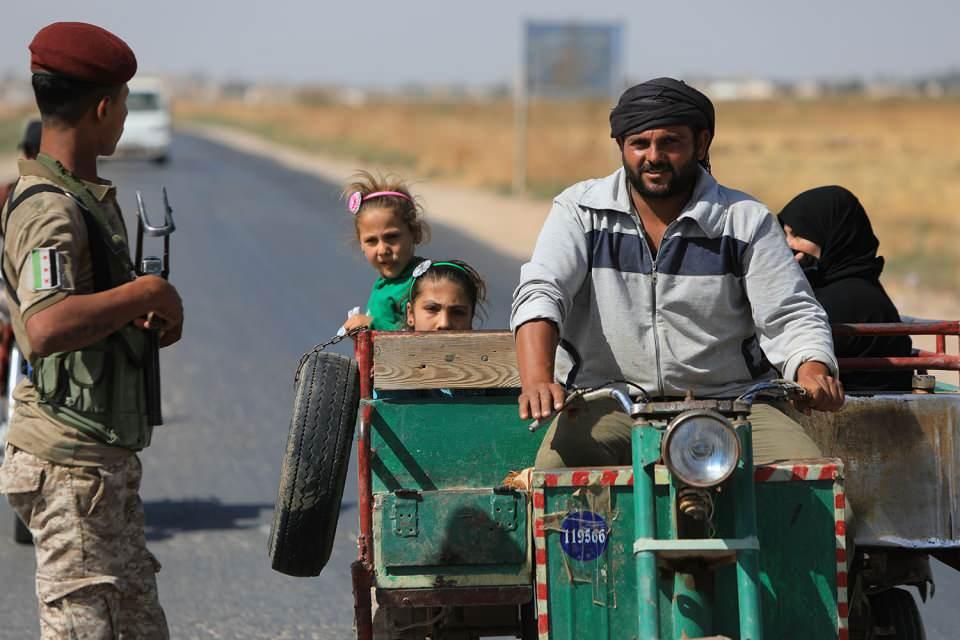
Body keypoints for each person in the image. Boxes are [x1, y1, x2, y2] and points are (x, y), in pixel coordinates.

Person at [510, 77, 844, 469]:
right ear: (621, 146)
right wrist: (537, 379)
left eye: (670, 142)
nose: (653, 156)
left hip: (733, 405)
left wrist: (813, 370)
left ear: (701, 144)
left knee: (815, 493)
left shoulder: (744, 220)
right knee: (558, 492)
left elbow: (791, 313)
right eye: (639, 144)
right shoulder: (580, 212)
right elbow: (542, 290)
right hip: (608, 404)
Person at [0, 22, 183, 639]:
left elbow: (85, 307)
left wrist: (135, 316)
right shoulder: (50, 205)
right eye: (124, 103)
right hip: (69, 469)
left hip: (100, 467)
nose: (126, 116)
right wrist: (146, 292)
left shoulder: (80, 194)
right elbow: (46, 325)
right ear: (104, 106)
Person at [779, 185, 913, 391]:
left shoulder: (850, 299)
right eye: (785, 234)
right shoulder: (839, 287)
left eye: (797, 235)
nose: (788, 244)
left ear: (830, 234)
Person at [341, 171, 430, 333]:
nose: (382, 250)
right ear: (361, 243)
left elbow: (419, 338)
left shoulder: (423, 284)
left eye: (392, 237)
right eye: (371, 241)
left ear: (415, 233)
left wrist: (373, 325)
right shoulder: (384, 283)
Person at [405, 259, 487, 331]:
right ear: (411, 314)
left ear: (471, 318)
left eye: (457, 312)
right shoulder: (393, 349)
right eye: (432, 308)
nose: (444, 324)